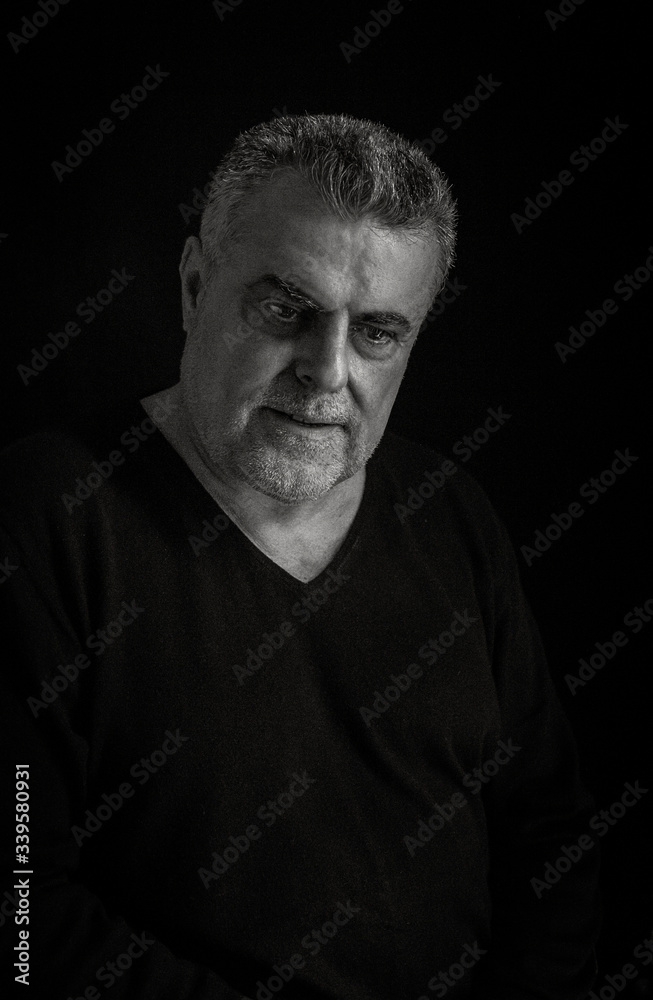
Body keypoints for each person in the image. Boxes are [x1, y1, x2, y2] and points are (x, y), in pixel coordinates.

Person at [0, 113, 600, 999]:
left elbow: (550, 834)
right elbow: (21, 920)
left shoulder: (452, 517)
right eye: (287, 309)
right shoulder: (42, 517)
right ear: (196, 287)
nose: (326, 370)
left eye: (376, 333)